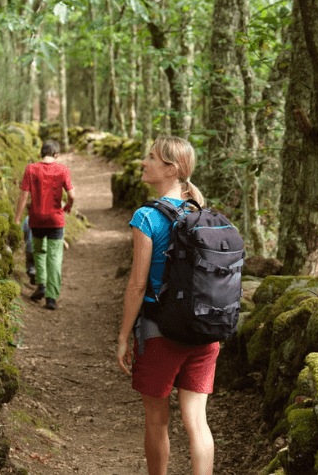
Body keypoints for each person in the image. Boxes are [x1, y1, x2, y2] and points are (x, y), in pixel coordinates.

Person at [117, 137, 219, 475]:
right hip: (204, 330)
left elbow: (137, 284)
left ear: (170, 169)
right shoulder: (201, 213)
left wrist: (122, 337)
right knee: (197, 422)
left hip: (159, 329)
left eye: (151, 157)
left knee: (157, 422)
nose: (143, 162)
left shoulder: (146, 216)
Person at [14, 139, 74, 311]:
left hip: (36, 220)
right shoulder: (63, 169)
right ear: (56, 155)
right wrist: (67, 207)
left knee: (39, 252)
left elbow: (23, 196)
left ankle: (41, 285)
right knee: (54, 257)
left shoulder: (31, 169)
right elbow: (72, 195)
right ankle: (51, 298)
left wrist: (17, 218)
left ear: (41, 153)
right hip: (56, 221)